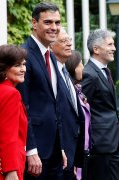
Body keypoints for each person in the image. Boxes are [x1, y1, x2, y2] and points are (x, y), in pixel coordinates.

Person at [16, 2, 65, 179]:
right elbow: (22, 107)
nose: (54, 27)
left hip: (54, 149)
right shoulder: (23, 55)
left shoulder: (51, 56)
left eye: (57, 23)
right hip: (36, 151)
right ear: (34, 23)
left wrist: (60, 147)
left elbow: (54, 103)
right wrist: (30, 149)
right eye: (48, 22)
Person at [81, 29, 119, 180]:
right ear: (96, 49)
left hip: (112, 144)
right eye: (110, 44)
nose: (114, 48)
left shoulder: (104, 71)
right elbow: (82, 111)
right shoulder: (89, 74)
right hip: (98, 146)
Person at [0, 45, 28, 180]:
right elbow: (8, 137)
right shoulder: (10, 94)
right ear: (3, 69)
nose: (23, 69)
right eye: (17, 65)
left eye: (23, 64)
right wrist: (11, 171)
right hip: (6, 169)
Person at [50, 28, 84, 180]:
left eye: (69, 40)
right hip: (59, 151)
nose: (69, 44)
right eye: (63, 41)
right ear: (51, 46)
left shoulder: (65, 73)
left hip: (72, 150)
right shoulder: (51, 73)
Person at [65, 50, 90, 180]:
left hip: (83, 150)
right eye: (80, 64)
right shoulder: (69, 91)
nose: (83, 68)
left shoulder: (78, 90)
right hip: (73, 152)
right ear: (73, 67)